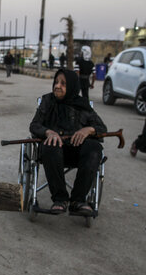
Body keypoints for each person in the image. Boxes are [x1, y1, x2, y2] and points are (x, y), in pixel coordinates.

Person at [29, 68, 107, 216]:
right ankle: (60, 199)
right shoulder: (47, 101)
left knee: (94, 148)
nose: (58, 86)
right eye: (56, 82)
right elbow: (35, 125)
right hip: (53, 154)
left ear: (71, 86)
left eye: (63, 83)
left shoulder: (82, 105)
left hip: (77, 153)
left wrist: (88, 130)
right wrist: (48, 132)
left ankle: (78, 200)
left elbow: (102, 128)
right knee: (50, 145)